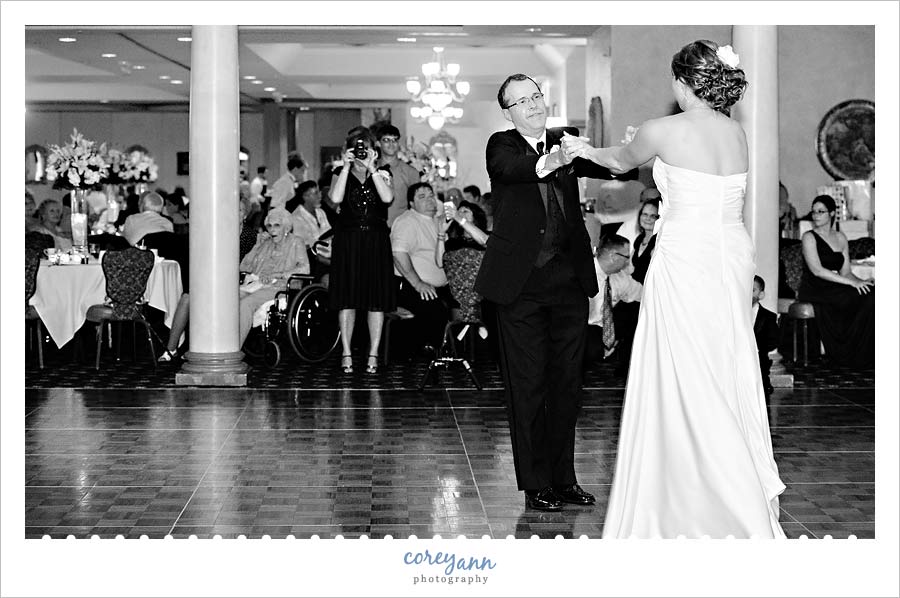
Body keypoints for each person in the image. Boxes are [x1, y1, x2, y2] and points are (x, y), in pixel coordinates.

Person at [564, 40, 786, 538]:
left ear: (682, 82)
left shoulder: (660, 129)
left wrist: (582, 149)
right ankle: (730, 476)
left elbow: (621, 161)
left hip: (686, 253)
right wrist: (645, 144)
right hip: (729, 251)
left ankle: (705, 487)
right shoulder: (736, 131)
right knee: (724, 357)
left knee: (685, 365)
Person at [475, 73, 622, 513]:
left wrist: (625, 151)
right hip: (520, 287)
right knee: (527, 388)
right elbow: (518, 170)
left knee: (566, 386)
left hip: (568, 284)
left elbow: (615, 167)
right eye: (521, 101)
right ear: (509, 112)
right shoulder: (501, 145)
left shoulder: (567, 140)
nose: (533, 105)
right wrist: (559, 157)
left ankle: (564, 478)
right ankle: (535, 482)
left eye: (536, 96)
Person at [329, 128, 396, 374]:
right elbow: (335, 198)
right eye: (357, 148)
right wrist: (346, 167)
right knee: (347, 298)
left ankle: (373, 354)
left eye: (365, 147)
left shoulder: (383, 173)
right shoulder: (339, 172)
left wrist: (372, 168)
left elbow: (387, 198)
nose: (361, 152)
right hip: (348, 240)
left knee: (375, 300)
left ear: (373, 150)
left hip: (376, 240)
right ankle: (346, 352)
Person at [798, 194, 874, 367]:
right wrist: (851, 284)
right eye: (814, 212)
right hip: (815, 287)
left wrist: (862, 282)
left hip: (836, 285)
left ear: (832, 214)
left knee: (871, 294)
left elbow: (846, 272)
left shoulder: (840, 238)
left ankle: (862, 354)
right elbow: (817, 271)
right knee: (851, 296)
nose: (816, 215)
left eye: (821, 211)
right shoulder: (809, 237)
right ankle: (844, 354)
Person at [391, 182, 457, 358]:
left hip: (442, 287)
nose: (429, 200)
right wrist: (418, 283)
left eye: (431, 195)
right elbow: (398, 254)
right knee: (436, 311)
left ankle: (459, 354)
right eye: (422, 197)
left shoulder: (438, 221)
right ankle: (430, 356)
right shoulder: (407, 221)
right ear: (411, 204)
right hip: (411, 285)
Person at [583, 234, 643, 376]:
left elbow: (644, 295)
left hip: (604, 331)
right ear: (613, 256)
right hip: (580, 330)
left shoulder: (619, 277)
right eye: (626, 257)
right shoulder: (583, 274)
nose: (628, 262)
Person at [288, 180, 333, 284]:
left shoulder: (320, 212)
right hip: (313, 261)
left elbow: (329, 236)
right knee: (330, 280)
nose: (320, 195)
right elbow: (306, 249)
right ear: (305, 197)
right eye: (316, 193)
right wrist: (329, 262)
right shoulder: (297, 218)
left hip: (328, 257)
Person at [376, 125, 421, 227]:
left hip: (400, 227)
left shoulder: (410, 172)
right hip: (373, 228)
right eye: (386, 140)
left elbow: (417, 204)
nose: (391, 144)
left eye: (394, 140)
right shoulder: (371, 169)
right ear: (378, 143)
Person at [752, 275, 779, 396]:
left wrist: (757, 348)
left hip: (759, 360)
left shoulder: (768, 316)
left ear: (761, 295)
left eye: (752, 290)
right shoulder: (734, 313)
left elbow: (773, 340)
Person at [631, 192, 660, 285]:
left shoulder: (659, 242)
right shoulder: (639, 239)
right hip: (634, 290)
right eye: (645, 214)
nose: (647, 218)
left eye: (653, 216)